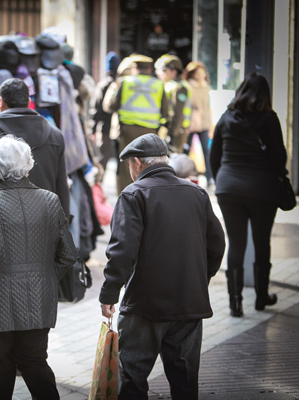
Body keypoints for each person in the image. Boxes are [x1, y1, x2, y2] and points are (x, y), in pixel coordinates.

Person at [100, 133, 225, 399]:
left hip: (145, 305)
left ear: (136, 162)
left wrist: (110, 293)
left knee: (132, 378)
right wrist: (200, 278)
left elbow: (122, 251)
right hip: (189, 303)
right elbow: (217, 244)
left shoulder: (134, 194)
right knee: (185, 381)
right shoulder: (196, 192)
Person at [0, 135, 77, 400]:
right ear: (28, 166)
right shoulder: (50, 200)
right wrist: (45, 275)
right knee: (35, 364)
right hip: (39, 300)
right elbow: (69, 254)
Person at [210, 73, 289, 317]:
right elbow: (279, 158)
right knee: (262, 242)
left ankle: (235, 303)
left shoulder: (226, 118)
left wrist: (223, 181)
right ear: (265, 94)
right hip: (262, 190)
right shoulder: (269, 119)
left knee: (236, 243)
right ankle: (261, 298)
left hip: (229, 188)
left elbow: (214, 157)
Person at [0, 78, 70, 216]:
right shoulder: (54, 135)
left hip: (1, 227)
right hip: (45, 225)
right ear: (28, 102)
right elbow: (62, 187)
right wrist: (63, 225)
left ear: (0, 102)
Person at [103, 54, 169, 194]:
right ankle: (148, 193)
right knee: (150, 164)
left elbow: (110, 106)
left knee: (128, 165)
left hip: (128, 130)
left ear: (134, 68)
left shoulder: (124, 82)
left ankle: (127, 194)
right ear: (149, 69)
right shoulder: (158, 84)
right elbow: (165, 111)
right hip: (150, 131)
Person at [183, 61, 214, 186]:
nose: (200, 75)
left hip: (204, 122)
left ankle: (209, 177)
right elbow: (186, 106)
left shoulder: (206, 86)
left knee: (206, 151)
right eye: (198, 73)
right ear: (192, 74)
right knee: (186, 151)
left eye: (202, 73)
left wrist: (211, 123)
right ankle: (183, 175)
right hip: (191, 122)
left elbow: (208, 106)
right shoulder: (187, 86)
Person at [155, 54, 192, 153]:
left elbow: (178, 113)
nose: (160, 74)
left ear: (173, 71)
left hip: (176, 131)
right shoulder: (169, 85)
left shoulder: (179, 88)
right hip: (171, 129)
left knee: (173, 161)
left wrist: (173, 134)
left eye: (164, 71)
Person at [92, 51, 120, 171]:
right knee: (122, 162)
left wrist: (93, 129)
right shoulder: (121, 84)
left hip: (105, 129)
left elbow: (96, 109)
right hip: (119, 129)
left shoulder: (103, 85)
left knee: (102, 161)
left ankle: (98, 186)